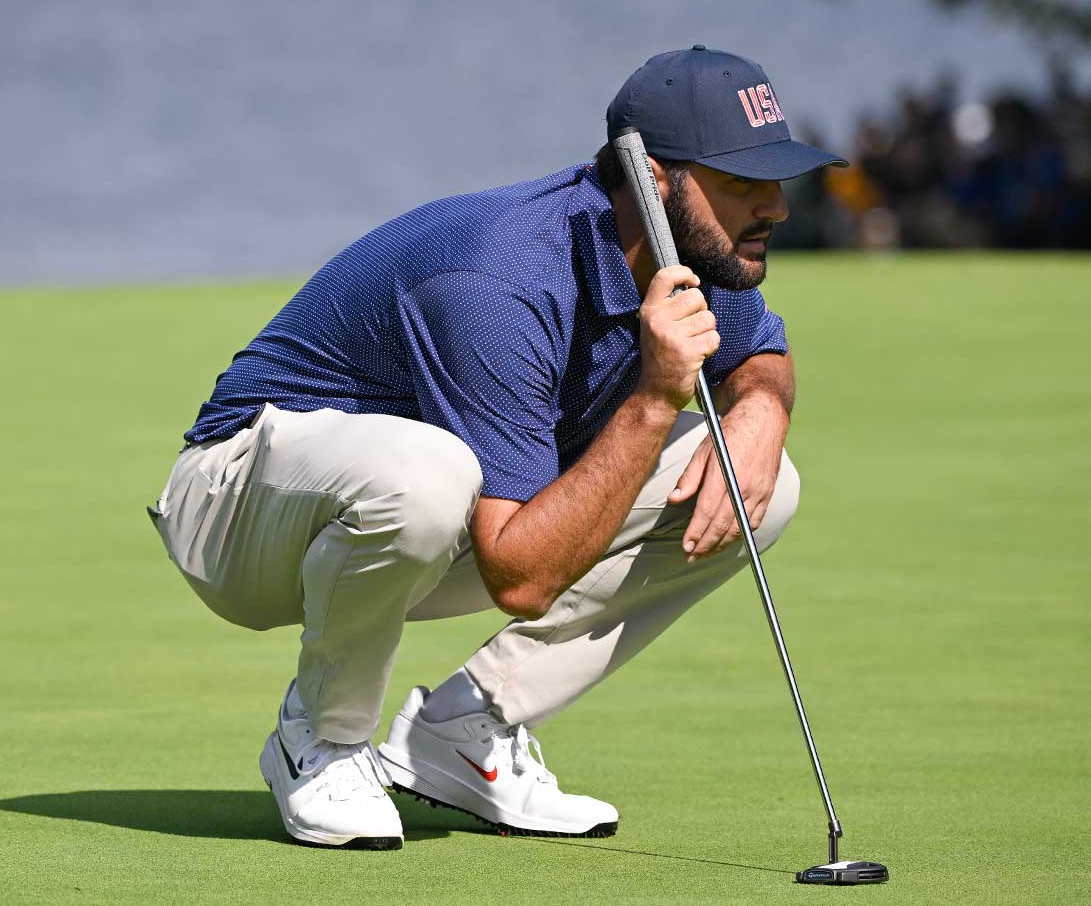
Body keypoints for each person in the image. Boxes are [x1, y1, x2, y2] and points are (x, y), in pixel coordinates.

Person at [148, 46, 843, 850]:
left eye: (776, 181)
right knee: (429, 476)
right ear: (654, 180)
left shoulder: (696, 249)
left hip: (409, 524)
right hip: (236, 508)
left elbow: (762, 357)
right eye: (743, 184)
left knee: (764, 481)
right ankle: (324, 739)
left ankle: (468, 729)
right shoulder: (502, 277)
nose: (777, 209)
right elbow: (520, 574)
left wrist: (760, 413)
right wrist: (656, 398)